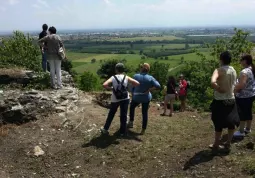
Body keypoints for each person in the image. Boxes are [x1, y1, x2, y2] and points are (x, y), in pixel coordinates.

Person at [210, 51, 239, 149]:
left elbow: (213, 82)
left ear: (221, 60)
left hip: (220, 100)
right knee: (231, 122)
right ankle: (228, 142)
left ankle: (216, 144)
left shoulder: (218, 70)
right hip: (231, 98)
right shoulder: (233, 70)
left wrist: (218, 88)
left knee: (218, 123)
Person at [100, 63, 140, 136]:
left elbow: (104, 85)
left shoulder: (113, 77)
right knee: (123, 115)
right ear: (123, 70)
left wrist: (112, 88)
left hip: (115, 98)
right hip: (125, 98)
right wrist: (128, 87)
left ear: (116, 69)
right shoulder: (126, 77)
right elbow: (137, 83)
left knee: (111, 114)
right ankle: (122, 132)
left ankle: (105, 129)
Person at [127, 63, 161, 135]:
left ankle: (131, 122)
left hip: (136, 97)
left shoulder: (135, 76)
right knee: (144, 113)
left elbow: (131, 87)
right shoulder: (150, 77)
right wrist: (149, 89)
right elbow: (158, 86)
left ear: (141, 69)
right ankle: (143, 129)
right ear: (148, 70)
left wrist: (133, 93)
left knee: (132, 107)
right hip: (146, 98)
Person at [234, 54, 255, 137]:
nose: (240, 62)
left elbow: (242, 85)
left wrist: (234, 89)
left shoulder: (244, 72)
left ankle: (241, 131)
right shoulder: (251, 69)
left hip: (243, 96)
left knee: (242, 113)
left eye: (241, 60)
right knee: (248, 111)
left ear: (245, 61)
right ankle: (248, 128)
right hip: (251, 94)